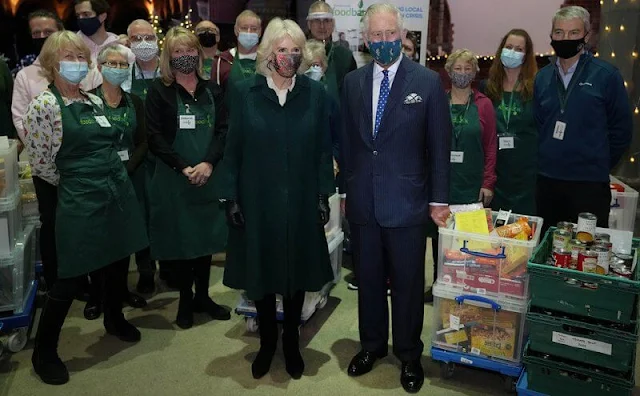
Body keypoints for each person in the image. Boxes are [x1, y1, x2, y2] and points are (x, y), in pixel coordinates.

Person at [214, 17, 334, 381]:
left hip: (299, 199)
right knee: (262, 273)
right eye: (283, 49)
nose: (290, 56)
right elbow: (232, 148)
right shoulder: (246, 92)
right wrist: (230, 197)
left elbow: (321, 150)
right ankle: (267, 342)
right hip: (257, 198)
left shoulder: (314, 94)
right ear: (268, 52)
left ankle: (292, 344)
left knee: (296, 272)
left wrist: (322, 195)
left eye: (296, 50)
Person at [25, 31, 148, 385]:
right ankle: (44, 350)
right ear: (51, 63)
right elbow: (44, 166)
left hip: (115, 191)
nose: (77, 63)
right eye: (68, 57)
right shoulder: (44, 107)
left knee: (115, 260)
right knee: (69, 276)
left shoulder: (92, 102)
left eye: (81, 57)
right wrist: (74, 190)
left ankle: (114, 318)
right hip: (79, 197)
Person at [340, 4, 451, 393]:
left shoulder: (428, 82)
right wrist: (345, 191)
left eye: (390, 35)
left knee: (406, 285)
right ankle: (371, 345)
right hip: (364, 204)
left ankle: (408, 354)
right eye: (376, 36)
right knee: (368, 281)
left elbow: (439, 147)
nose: (384, 42)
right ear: (366, 39)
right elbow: (349, 144)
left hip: (408, 204)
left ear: (401, 36)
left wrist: (439, 199)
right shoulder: (352, 83)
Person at [145, 27, 230, 329]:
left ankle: (204, 297)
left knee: (205, 241)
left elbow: (222, 132)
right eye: (177, 52)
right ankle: (185, 299)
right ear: (169, 56)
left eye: (189, 50)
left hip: (208, 177)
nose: (185, 56)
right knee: (182, 244)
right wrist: (183, 167)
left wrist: (207, 163)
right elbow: (154, 136)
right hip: (175, 179)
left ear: (198, 53)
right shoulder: (159, 90)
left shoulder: (213, 90)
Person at [12, 10, 102, 291]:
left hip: (82, 172)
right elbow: (21, 120)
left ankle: (86, 281)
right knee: (54, 227)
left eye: (47, 32)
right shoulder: (27, 78)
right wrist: (56, 172)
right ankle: (59, 282)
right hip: (51, 174)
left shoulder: (85, 78)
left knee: (85, 229)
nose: (41, 38)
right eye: (35, 34)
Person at [535, 6, 632, 233]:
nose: (565, 38)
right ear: (551, 35)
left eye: (573, 33)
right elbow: (541, 123)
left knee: (588, 253)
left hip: (589, 184)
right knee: (549, 251)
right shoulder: (542, 78)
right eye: (559, 32)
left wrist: (596, 161)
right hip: (548, 181)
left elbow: (622, 130)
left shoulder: (606, 75)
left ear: (586, 36)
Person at [425, 49, 497, 303]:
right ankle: (437, 283)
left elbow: (490, 146)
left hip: (470, 182)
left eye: (468, 69)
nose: (463, 73)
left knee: (469, 240)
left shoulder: (484, 105)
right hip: (441, 183)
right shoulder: (437, 100)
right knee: (440, 238)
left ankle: (465, 287)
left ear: (476, 73)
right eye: (458, 68)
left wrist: (488, 182)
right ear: (448, 70)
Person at [83, 44, 149, 318]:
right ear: (99, 66)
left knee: (123, 239)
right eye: (112, 63)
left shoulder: (135, 102)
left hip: (129, 178)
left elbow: (144, 141)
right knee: (99, 239)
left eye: (123, 64)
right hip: (98, 180)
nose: (118, 68)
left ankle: (121, 290)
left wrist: (128, 168)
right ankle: (96, 295)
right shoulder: (86, 101)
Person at [124, 19, 165, 293]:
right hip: (137, 157)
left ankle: (173, 265)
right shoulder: (122, 73)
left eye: (148, 37)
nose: (143, 43)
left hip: (167, 156)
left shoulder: (170, 69)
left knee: (168, 212)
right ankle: (146, 269)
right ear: (127, 43)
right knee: (140, 214)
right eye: (137, 39)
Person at [481, 29, 538, 215]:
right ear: (501, 50)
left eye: (519, 49)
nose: (512, 52)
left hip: (526, 176)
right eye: (509, 47)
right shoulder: (487, 88)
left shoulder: (536, 89)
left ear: (526, 55)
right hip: (495, 175)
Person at [306, 1, 357, 104]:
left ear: (333, 24)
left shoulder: (345, 56)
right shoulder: (299, 53)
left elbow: (352, 96)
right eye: (316, 21)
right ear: (309, 24)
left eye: (326, 20)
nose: (322, 26)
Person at [211, 10, 261, 91]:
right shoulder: (221, 62)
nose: (249, 32)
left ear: (259, 32)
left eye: (254, 29)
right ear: (236, 30)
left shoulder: (268, 60)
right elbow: (215, 96)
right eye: (244, 28)